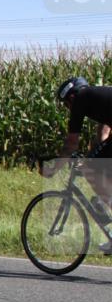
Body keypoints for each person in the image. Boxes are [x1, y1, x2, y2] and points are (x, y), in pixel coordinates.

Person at [43, 77, 112, 253]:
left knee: (90, 168)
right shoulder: (96, 96)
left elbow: (71, 144)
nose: (68, 109)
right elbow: (103, 131)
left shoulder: (81, 99)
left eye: (66, 105)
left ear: (71, 97)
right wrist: (94, 156)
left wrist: (53, 169)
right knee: (96, 167)